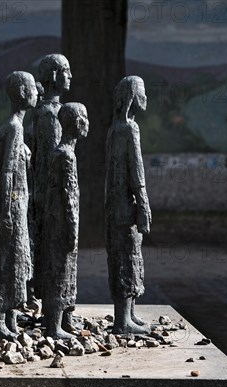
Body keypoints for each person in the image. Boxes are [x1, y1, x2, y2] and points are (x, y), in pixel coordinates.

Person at [0, 71, 38, 341]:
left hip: (17, 205)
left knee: (17, 261)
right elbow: (6, 173)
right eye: (32, 88)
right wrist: (7, 210)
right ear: (20, 93)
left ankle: (10, 317)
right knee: (7, 261)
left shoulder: (14, 127)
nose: (37, 92)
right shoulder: (14, 128)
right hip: (12, 206)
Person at [105, 76, 152, 335]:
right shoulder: (128, 129)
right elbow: (136, 171)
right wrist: (144, 205)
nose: (146, 98)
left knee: (130, 256)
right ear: (133, 97)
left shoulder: (117, 127)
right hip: (126, 207)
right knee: (127, 258)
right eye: (142, 93)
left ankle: (129, 313)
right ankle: (123, 320)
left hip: (118, 206)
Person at [41, 103, 89, 339]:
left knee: (67, 269)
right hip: (61, 223)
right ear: (77, 123)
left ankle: (65, 319)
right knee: (60, 270)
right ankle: (54, 325)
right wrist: (72, 228)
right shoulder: (65, 155)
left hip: (60, 222)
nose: (88, 123)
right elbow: (67, 196)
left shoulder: (64, 153)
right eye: (85, 119)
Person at [30, 54, 72, 306]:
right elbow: (46, 161)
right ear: (55, 76)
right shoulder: (49, 114)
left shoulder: (51, 111)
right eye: (66, 70)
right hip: (49, 199)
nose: (70, 76)